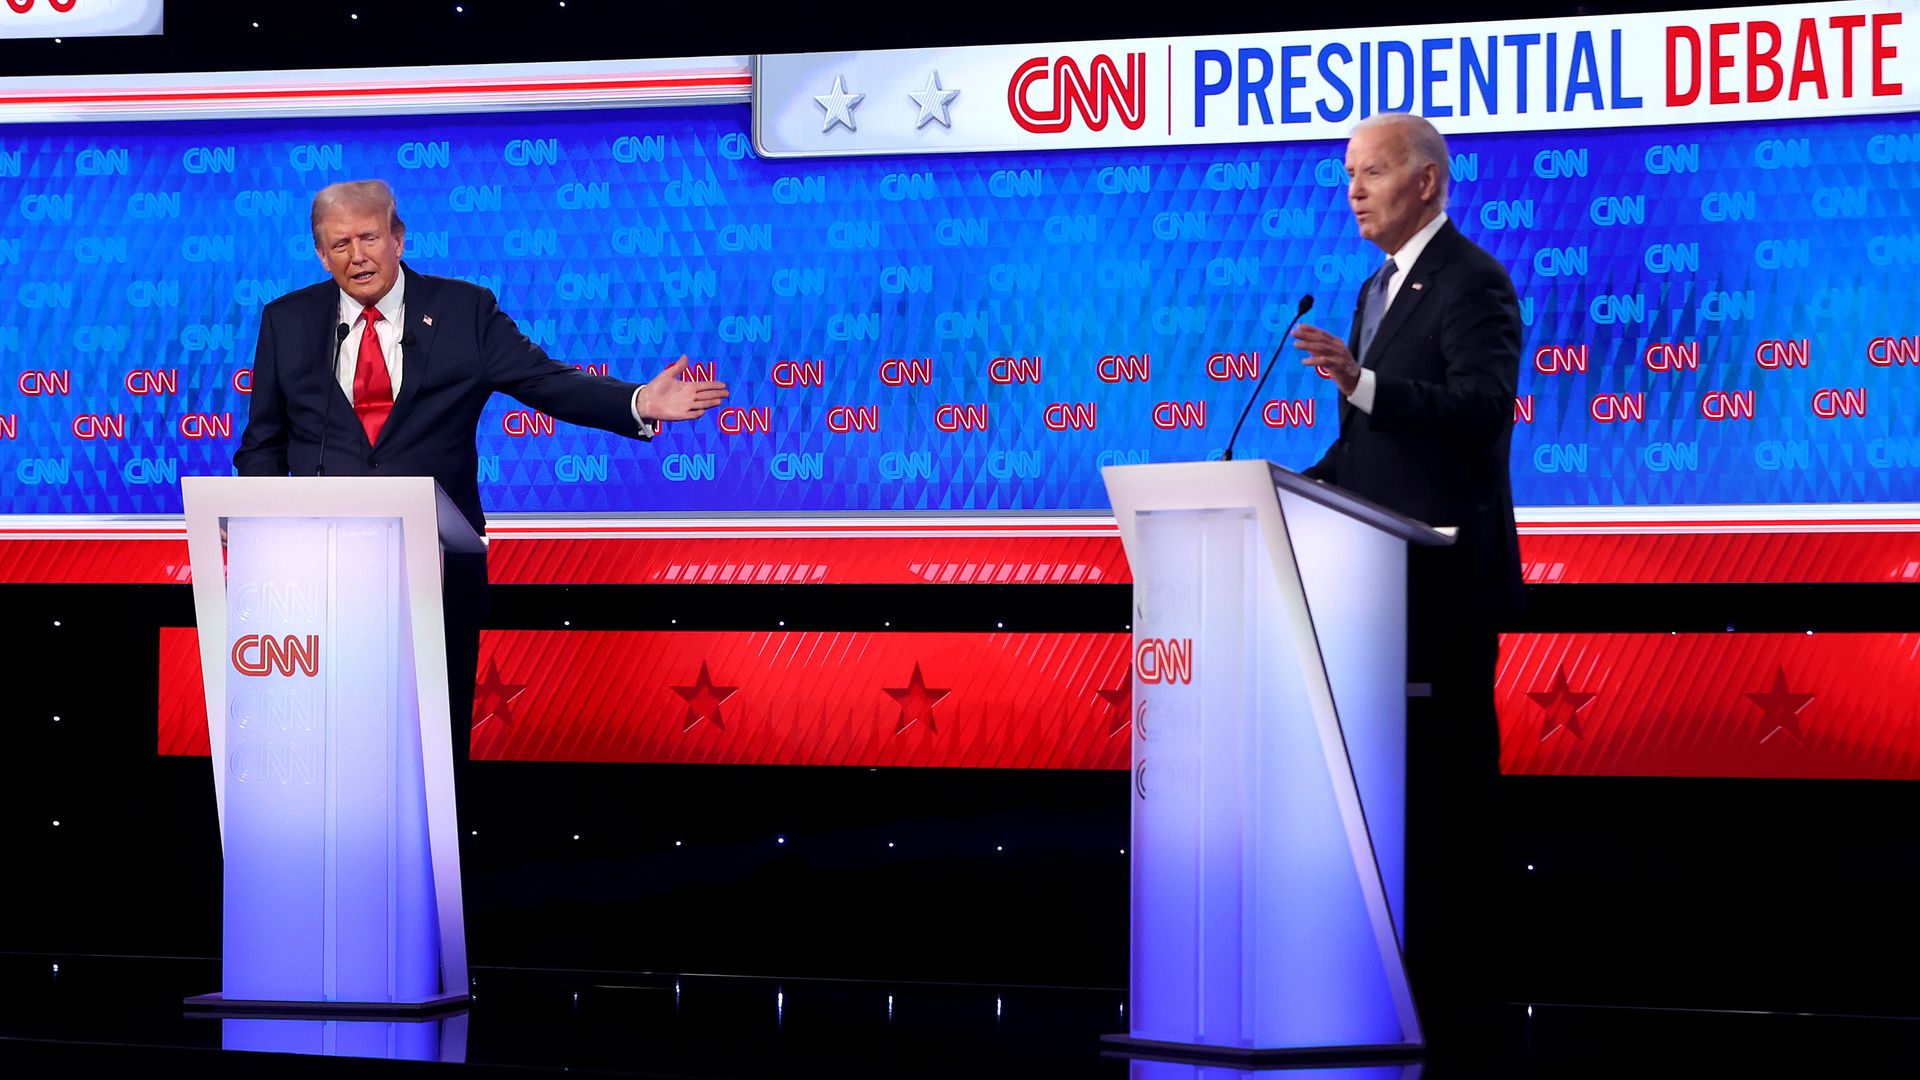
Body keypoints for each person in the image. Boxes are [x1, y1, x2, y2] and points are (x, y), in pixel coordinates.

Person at [234, 179, 729, 774]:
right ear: (320, 253)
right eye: (338, 244)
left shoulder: (465, 310)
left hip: (437, 567)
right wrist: (260, 534)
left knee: (431, 749)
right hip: (321, 573)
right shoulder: (288, 320)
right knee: (328, 747)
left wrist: (635, 403)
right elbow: (263, 440)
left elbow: (546, 382)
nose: (356, 255)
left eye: (369, 237)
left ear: (398, 238)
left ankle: (437, 866)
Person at [1290, 112, 1523, 1046]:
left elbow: (1481, 408)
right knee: (1388, 802)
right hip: (1373, 593)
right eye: (1348, 174)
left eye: (1370, 172)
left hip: (1443, 587)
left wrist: (1366, 384)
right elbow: (1365, 452)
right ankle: (1393, 986)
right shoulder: (1372, 287)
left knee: (1449, 799)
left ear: (1426, 181)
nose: (1353, 190)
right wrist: (1269, 489)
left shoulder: (1473, 281)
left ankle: (1466, 1004)